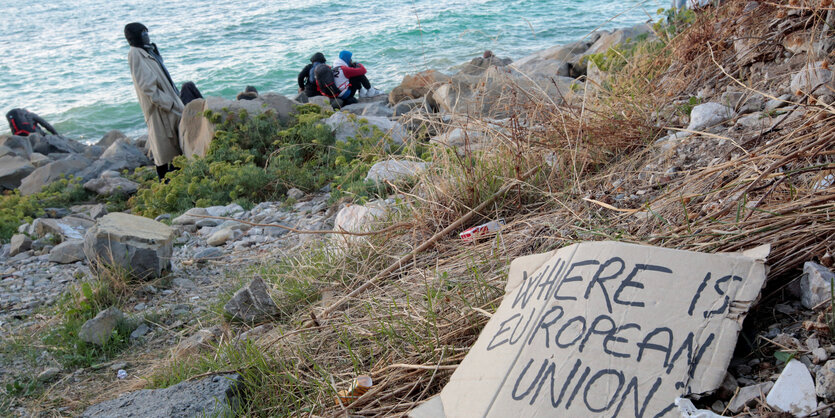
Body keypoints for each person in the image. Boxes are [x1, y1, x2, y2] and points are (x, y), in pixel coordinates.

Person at [124, 22, 184, 181]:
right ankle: (167, 188)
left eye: (147, 32)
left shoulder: (146, 50)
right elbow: (147, 87)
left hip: (167, 107)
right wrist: (168, 104)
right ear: (136, 37)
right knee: (165, 152)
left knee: (172, 148)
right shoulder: (136, 53)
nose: (147, 36)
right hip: (160, 110)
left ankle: (173, 186)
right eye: (144, 33)